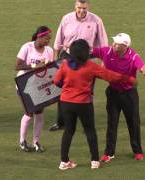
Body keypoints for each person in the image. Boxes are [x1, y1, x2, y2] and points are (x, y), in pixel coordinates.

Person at [54, 39, 136, 170]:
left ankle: (64, 162)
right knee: (90, 130)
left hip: (66, 103)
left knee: (68, 131)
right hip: (83, 103)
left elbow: (56, 81)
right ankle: (94, 161)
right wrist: (128, 79)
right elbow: (111, 76)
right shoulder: (91, 66)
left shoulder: (65, 65)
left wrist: (67, 87)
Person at [50, 0, 108, 131]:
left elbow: (104, 43)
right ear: (75, 6)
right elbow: (58, 40)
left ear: (88, 7)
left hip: (87, 58)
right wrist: (55, 60)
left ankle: (87, 124)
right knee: (63, 89)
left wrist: (104, 61)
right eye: (79, 8)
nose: (82, 11)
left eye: (84, 8)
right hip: (68, 56)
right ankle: (61, 122)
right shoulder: (66, 19)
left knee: (87, 90)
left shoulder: (96, 20)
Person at [92, 33, 145, 162]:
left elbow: (141, 65)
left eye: (117, 43)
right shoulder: (107, 51)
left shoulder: (133, 55)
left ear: (125, 46)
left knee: (133, 123)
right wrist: (73, 47)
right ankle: (109, 152)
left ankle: (137, 151)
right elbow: (92, 51)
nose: (113, 44)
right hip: (113, 93)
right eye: (114, 42)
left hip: (129, 95)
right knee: (112, 123)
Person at [15, 26, 53, 152]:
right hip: (24, 85)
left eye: (50, 39)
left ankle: (36, 141)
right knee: (29, 112)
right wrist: (35, 66)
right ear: (39, 37)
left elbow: (50, 68)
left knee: (39, 113)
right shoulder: (27, 47)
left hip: (40, 86)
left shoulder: (49, 50)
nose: (48, 41)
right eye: (46, 39)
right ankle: (22, 141)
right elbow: (17, 66)